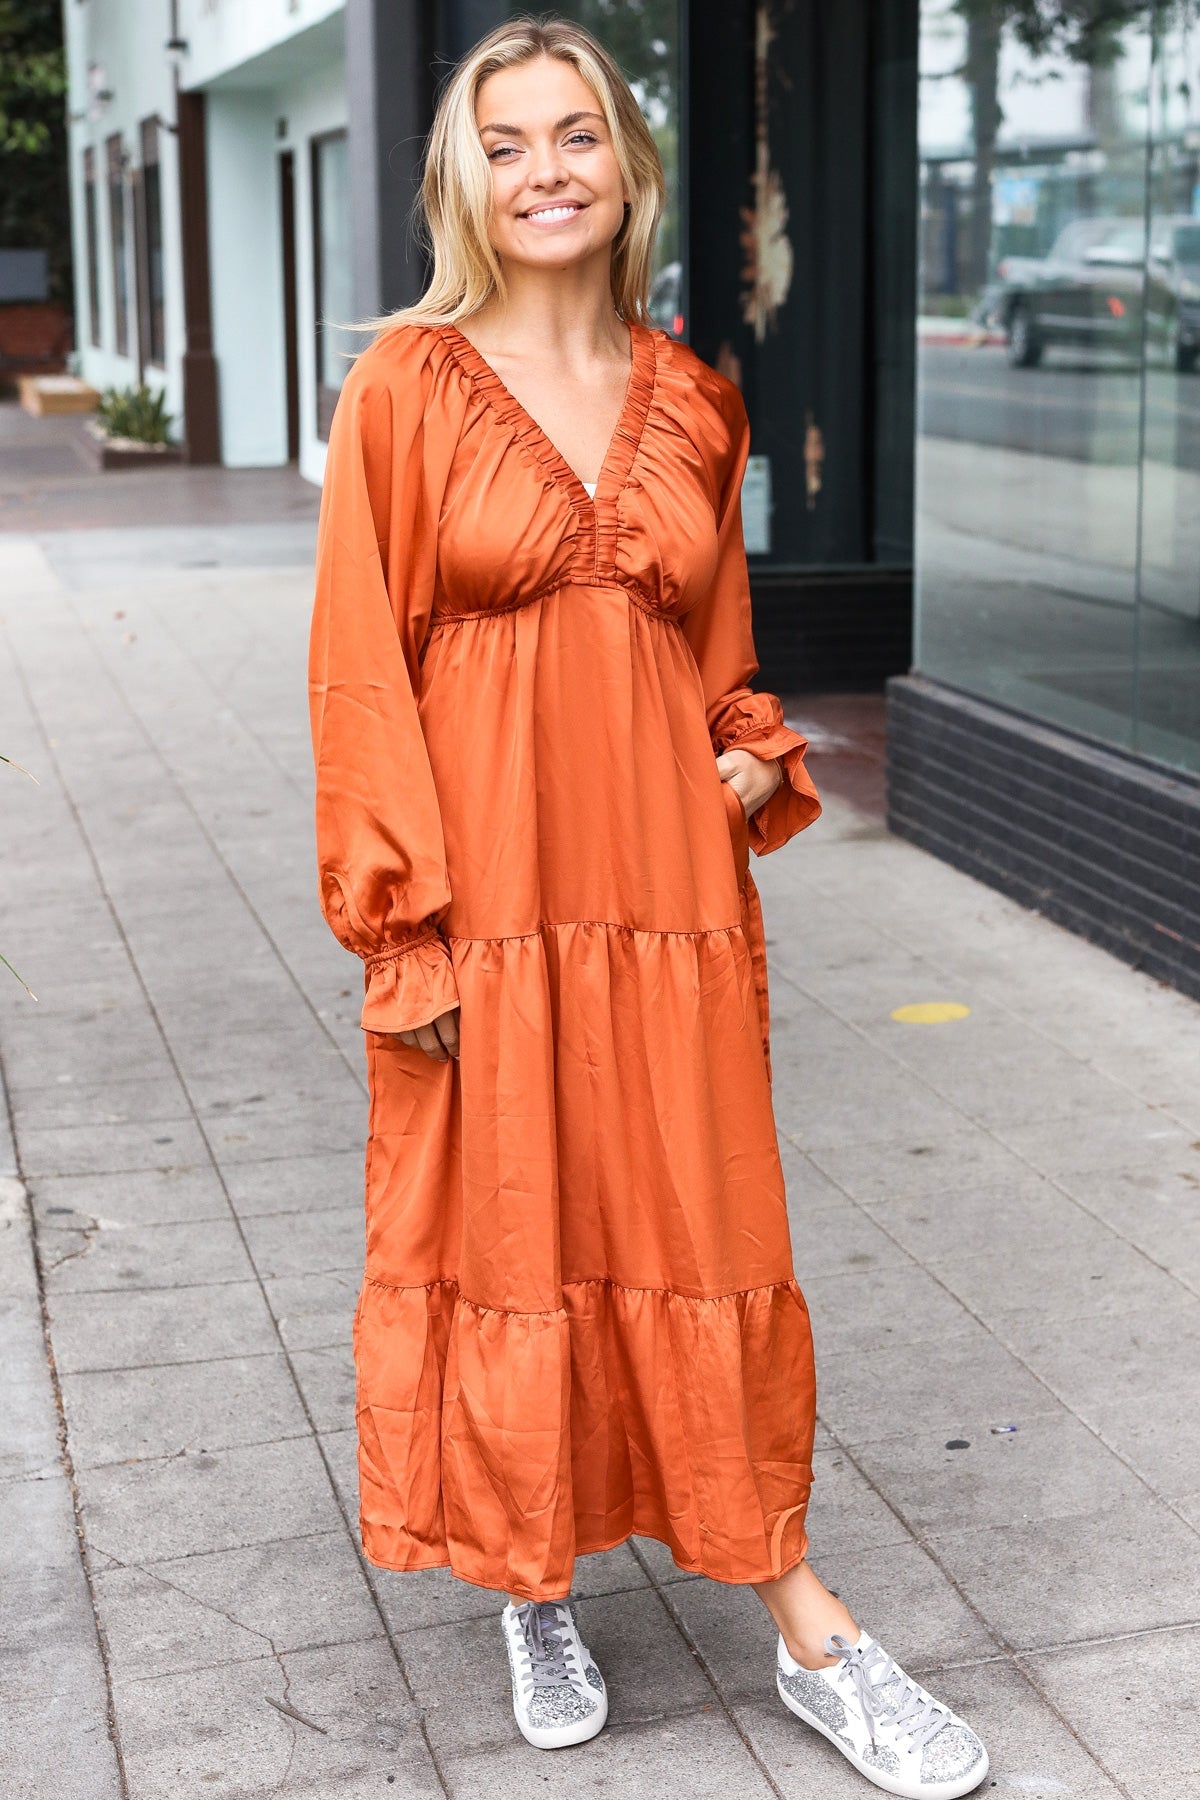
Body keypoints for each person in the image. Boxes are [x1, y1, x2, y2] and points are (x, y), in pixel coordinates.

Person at [308, 16, 988, 1796]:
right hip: (491, 900)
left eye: (576, 137)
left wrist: (755, 756)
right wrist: (405, 930)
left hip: (668, 905)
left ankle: (810, 1632)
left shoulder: (696, 395)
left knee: (698, 1239)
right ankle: (535, 1574)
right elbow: (357, 677)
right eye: (508, 141)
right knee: (517, 1233)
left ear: (628, 169)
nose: (545, 171)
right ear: (466, 176)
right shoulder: (400, 383)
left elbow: (717, 643)